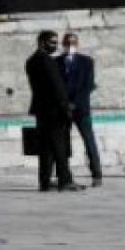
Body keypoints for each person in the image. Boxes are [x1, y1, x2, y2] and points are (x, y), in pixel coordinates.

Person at [24, 30, 83, 192]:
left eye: (56, 42)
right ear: (41, 42)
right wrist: (66, 107)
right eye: (52, 42)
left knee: (46, 147)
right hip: (54, 110)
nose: (55, 46)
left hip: (41, 109)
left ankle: (45, 181)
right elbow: (56, 87)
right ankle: (65, 180)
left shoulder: (31, 61)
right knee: (60, 146)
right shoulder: (47, 61)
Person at [56, 32, 102, 187]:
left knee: (89, 141)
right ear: (63, 44)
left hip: (81, 109)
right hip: (63, 109)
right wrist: (65, 103)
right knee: (62, 143)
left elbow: (88, 85)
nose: (71, 46)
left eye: (73, 43)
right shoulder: (56, 62)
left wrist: (74, 103)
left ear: (78, 44)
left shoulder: (87, 61)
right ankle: (63, 175)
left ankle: (97, 174)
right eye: (68, 43)